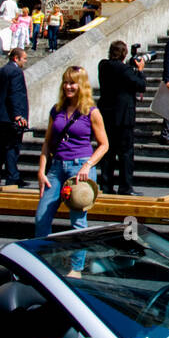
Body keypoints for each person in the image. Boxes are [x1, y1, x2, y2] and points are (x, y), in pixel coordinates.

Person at [34, 67, 109, 256]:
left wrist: (88, 165)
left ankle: (77, 266)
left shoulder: (91, 112)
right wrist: (41, 171)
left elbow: (104, 144)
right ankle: (42, 262)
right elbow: (47, 143)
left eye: (72, 82)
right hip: (57, 166)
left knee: (77, 221)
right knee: (41, 217)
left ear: (81, 85)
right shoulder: (56, 110)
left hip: (79, 167)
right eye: (66, 82)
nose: (68, 86)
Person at [98, 40, 147, 196]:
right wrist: (139, 70)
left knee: (107, 152)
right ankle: (125, 187)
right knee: (126, 153)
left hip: (106, 115)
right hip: (123, 117)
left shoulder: (103, 66)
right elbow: (141, 85)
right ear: (124, 53)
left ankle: (106, 186)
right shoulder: (125, 69)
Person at [0, 48, 29, 188]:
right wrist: (18, 115)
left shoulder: (4, 70)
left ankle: (13, 175)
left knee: (4, 147)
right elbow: (15, 94)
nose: (25, 61)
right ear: (16, 58)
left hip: (3, 116)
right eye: (24, 58)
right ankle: (13, 177)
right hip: (11, 117)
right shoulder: (16, 72)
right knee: (12, 147)